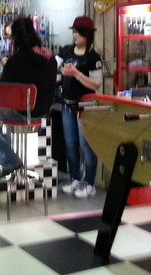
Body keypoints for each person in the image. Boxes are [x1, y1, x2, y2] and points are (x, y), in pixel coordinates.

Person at [0, 17, 57, 177]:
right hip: (43, 111)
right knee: (0, 113)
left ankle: (9, 159)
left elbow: (2, 91)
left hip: (22, 113)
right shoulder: (49, 57)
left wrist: (6, 66)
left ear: (15, 39)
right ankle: (0, 154)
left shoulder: (15, 61)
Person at [57, 16, 103, 198]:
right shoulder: (66, 51)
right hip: (67, 104)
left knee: (86, 145)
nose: (75, 35)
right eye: (74, 32)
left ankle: (89, 183)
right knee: (70, 144)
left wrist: (76, 73)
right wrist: (59, 72)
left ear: (87, 35)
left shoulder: (93, 57)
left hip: (85, 106)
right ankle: (75, 177)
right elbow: (54, 65)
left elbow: (96, 84)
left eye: (78, 32)